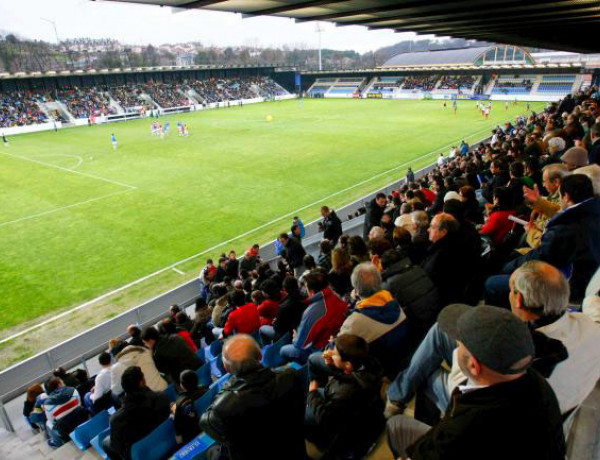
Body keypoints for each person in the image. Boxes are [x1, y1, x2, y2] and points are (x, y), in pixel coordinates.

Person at [387, 304, 566, 460]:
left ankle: (400, 402)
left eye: (460, 344)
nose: (456, 347)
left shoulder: (464, 429)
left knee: (395, 425)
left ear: (474, 366)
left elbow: (444, 445)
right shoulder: (540, 385)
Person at [491, 174, 600, 305]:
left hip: (567, 285)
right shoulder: (590, 211)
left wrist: (509, 267)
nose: (543, 184)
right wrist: (538, 202)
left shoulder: (566, 228)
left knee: (492, 283)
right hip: (581, 275)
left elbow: (542, 255)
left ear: (566, 196)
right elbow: (559, 211)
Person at [200, 335, 306, 460]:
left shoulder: (223, 407)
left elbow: (205, 423)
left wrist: (227, 388)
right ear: (260, 356)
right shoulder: (290, 376)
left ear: (226, 368)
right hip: (294, 451)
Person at [306, 335, 385, 459]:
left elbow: (325, 418)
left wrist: (313, 392)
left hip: (345, 424)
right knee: (312, 358)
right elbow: (347, 374)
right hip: (362, 411)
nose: (330, 353)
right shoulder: (370, 363)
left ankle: (320, 441)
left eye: (335, 353)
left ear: (348, 364)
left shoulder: (345, 391)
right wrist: (334, 364)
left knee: (304, 412)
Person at [338, 262, 410, 377]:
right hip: (407, 359)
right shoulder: (392, 300)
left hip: (384, 374)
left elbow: (338, 350)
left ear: (356, 290)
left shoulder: (353, 323)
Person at [103, 366, 171, 460]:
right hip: (166, 441)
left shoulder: (116, 420)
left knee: (106, 442)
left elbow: (117, 447)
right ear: (142, 381)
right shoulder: (161, 398)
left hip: (142, 454)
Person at [280, 271, 348, 364]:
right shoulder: (336, 296)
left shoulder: (312, 312)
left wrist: (295, 338)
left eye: (306, 287)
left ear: (311, 291)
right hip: (338, 341)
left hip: (322, 350)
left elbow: (300, 344)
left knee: (283, 350)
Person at [30, 377, 88, 448]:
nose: (64, 384)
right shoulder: (73, 390)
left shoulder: (47, 404)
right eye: (62, 382)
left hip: (66, 431)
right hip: (83, 420)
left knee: (48, 423)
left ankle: (57, 443)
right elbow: (79, 404)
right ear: (59, 384)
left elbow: (52, 421)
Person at [260, 276, 306, 343]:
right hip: (296, 327)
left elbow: (278, 328)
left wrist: (274, 323)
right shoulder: (302, 297)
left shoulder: (281, 306)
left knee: (261, 329)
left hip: (287, 333)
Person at [172, 370, 207, 445]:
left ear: (182, 385)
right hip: (207, 420)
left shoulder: (178, 403)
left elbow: (176, 423)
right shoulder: (204, 389)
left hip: (194, 432)